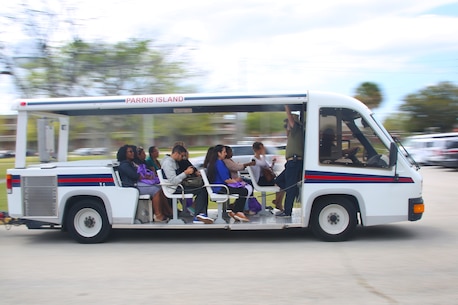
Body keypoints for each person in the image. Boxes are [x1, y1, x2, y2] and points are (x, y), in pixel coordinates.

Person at [116, 145, 171, 222]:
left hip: (137, 183)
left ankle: (166, 211)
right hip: (133, 185)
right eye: (130, 152)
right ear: (124, 153)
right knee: (156, 191)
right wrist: (147, 177)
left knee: (161, 189)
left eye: (132, 151)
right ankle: (158, 215)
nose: (132, 153)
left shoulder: (130, 163)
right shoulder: (124, 165)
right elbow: (135, 175)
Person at [161, 145, 213, 224]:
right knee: (202, 190)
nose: (182, 158)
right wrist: (185, 173)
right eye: (182, 156)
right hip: (174, 188)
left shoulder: (173, 162)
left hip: (178, 186)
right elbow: (173, 181)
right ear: (176, 153)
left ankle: (201, 214)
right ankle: (198, 215)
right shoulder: (168, 163)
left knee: (203, 188)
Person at [274, 105, 305, 217]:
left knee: (290, 186)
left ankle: (287, 211)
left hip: (295, 162)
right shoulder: (293, 134)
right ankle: (294, 192)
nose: (286, 125)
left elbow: (290, 118)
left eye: (288, 123)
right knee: (279, 180)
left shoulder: (296, 129)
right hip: (291, 163)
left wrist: (286, 106)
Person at [206, 144, 250, 222]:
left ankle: (236, 212)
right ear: (219, 153)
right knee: (244, 191)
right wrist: (237, 181)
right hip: (221, 188)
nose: (226, 154)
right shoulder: (219, 163)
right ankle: (237, 212)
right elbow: (226, 180)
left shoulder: (215, 162)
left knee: (242, 190)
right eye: (224, 152)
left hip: (219, 187)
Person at [251, 141, 285, 210]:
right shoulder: (253, 159)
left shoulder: (260, 159)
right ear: (257, 149)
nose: (264, 149)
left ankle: (277, 202)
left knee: (283, 183)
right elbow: (262, 164)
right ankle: (278, 203)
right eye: (262, 148)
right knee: (281, 183)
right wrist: (264, 155)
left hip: (265, 179)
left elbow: (267, 167)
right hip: (260, 180)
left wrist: (272, 163)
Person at [223, 145, 255, 214]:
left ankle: (242, 205)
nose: (232, 153)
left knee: (249, 184)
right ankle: (244, 207)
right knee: (249, 184)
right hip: (234, 181)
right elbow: (236, 167)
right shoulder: (226, 161)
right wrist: (248, 164)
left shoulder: (229, 160)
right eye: (230, 152)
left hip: (236, 179)